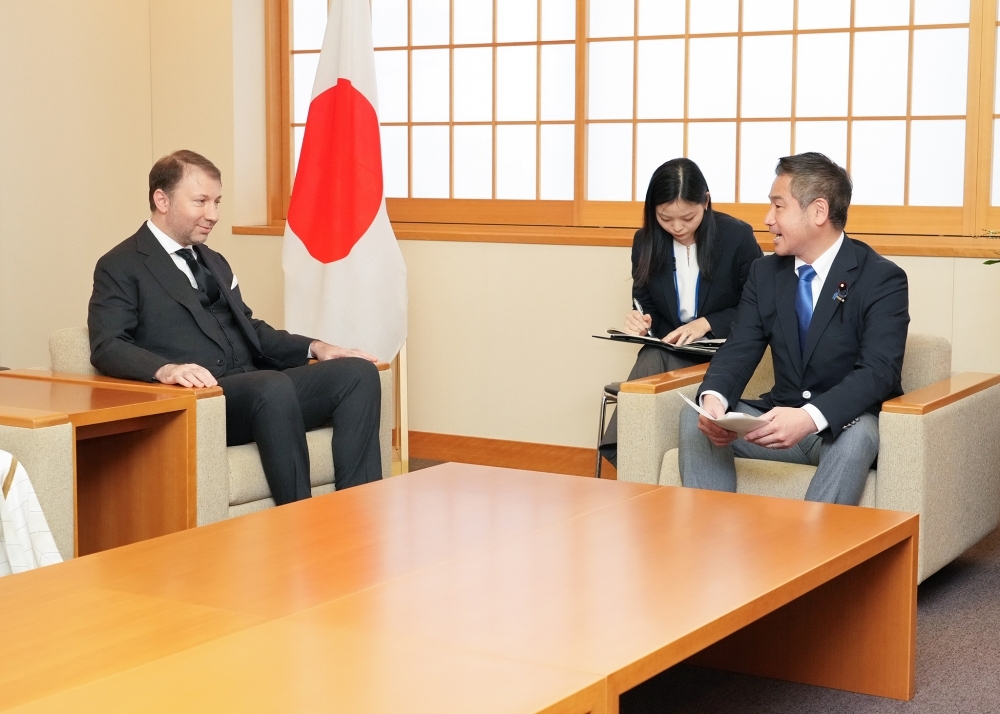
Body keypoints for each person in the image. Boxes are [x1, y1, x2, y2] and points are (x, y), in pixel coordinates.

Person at [88, 150, 383, 505]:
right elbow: (107, 345)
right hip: (206, 400)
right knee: (269, 385)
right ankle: (302, 520)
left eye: (217, 202)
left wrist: (316, 347)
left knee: (357, 373)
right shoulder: (120, 265)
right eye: (201, 201)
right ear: (161, 199)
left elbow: (250, 328)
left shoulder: (213, 260)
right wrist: (166, 369)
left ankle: (359, 510)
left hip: (261, 390)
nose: (213, 215)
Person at [679, 152, 909, 505]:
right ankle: (710, 540)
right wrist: (714, 402)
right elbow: (739, 348)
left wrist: (808, 418)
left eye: (778, 206)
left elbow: (878, 373)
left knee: (861, 432)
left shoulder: (881, 278)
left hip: (839, 428)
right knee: (694, 419)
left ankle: (812, 552)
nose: (767, 219)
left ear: (818, 211)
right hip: (777, 423)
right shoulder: (765, 273)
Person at [599, 158, 762, 466]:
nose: (676, 227)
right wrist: (642, 322)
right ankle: (633, 460)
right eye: (665, 218)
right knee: (651, 353)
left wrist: (708, 322)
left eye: (687, 217)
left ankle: (624, 455)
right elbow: (644, 301)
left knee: (651, 359)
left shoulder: (736, 237)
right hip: (672, 349)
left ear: (706, 201)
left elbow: (758, 305)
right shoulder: (645, 240)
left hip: (724, 353)